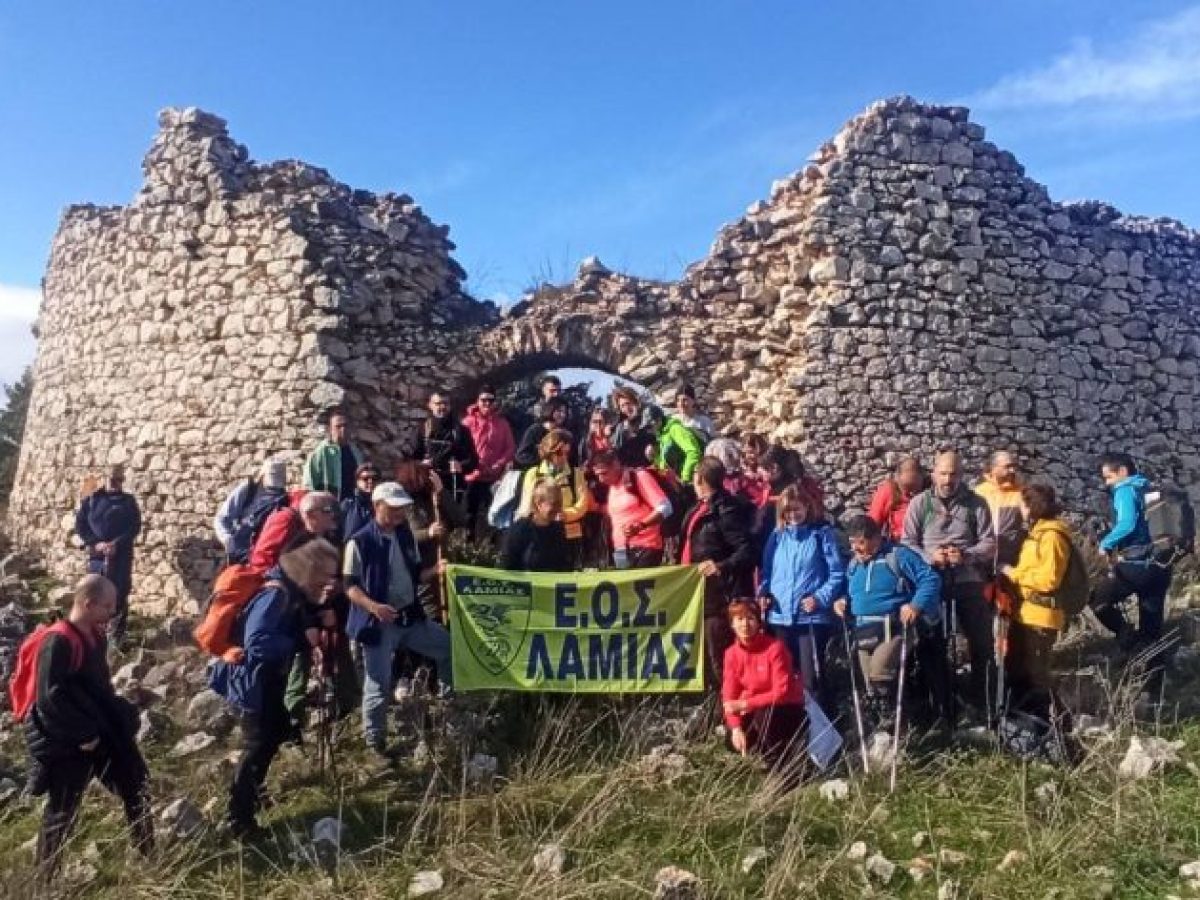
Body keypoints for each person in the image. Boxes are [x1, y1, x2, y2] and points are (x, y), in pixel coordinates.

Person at [25, 575, 153, 880]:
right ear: (88, 603)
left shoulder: (97, 636)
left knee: (137, 786)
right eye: (107, 605)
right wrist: (84, 736)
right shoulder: (58, 641)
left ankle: (148, 860)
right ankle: (45, 880)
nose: (112, 611)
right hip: (70, 741)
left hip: (102, 730)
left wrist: (119, 718)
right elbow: (50, 698)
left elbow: (99, 688)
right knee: (62, 811)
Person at [210, 539, 339, 838]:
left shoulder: (287, 590)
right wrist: (297, 643)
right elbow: (258, 642)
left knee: (276, 730)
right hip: (253, 681)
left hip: (264, 678)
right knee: (257, 743)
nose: (328, 583)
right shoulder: (276, 595)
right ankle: (239, 820)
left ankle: (252, 794)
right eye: (325, 575)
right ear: (309, 569)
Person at [344, 482, 453, 758]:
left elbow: (415, 574)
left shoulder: (404, 535)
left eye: (402, 510)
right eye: (393, 509)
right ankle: (375, 741)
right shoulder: (359, 541)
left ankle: (448, 705)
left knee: (448, 648)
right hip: (377, 624)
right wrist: (373, 607)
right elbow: (348, 586)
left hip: (409, 616)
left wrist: (434, 571)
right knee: (378, 682)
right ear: (377, 506)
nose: (398, 515)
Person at [901, 450, 997, 721]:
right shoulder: (920, 503)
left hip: (968, 581)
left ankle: (983, 704)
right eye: (943, 473)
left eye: (953, 473)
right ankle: (939, 707)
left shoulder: (977, 504)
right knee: (932, 645)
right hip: (930, 583)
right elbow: (907, 542)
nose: (948, 479)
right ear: (933, 474)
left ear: (961, 474)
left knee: (982, 643)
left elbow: (989, 542)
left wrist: (967, 555)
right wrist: (929, 557)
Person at [834, 516, 941, 731]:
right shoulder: (854, 564)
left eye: (861, 542)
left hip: (893, 628)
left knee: (880, 674)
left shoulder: (898, 556)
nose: (856, 548)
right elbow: (850, 590)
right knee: (871, 687)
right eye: (852, 542)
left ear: (876, 539)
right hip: (863, 630)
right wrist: (842, 601)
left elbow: (930, 579)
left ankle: (895, 728)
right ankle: (884, 733)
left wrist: (916, 605)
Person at [758, 485, 847, 708]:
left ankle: (822, 733)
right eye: (788, 511)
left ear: (807, 507)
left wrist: (819, 598)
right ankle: (790, 730)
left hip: (810, 617)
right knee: (783, 675)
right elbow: (767, 572)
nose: (793, 515)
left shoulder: (821, 535)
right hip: (780, 617)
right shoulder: (777, 537)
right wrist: (764, 593)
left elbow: (836, 573)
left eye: (797, 509)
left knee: (811, 679)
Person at [1088, 452, 1175, 673]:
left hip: (1136, 566)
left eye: (1108, 477)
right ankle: (1155, 679)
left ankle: (1127, 638)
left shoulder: (1125, 489)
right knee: (1152, 624)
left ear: (1123, 472)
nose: (1107, 483)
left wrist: (1106, 543)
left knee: (1098, 600)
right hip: (1161, 564)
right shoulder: (1148, 489)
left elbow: (1126, 524)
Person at [998, 484, 1073, 718]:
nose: (1019, 508)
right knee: (1019, 667)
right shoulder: (1038, 533)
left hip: (1041, 616)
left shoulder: (1051, 537)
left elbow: (1049, 580)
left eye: (1023, 503)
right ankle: (1026, 719)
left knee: (1037, 674)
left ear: (1032, 506)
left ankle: (1054, 722)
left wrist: (1014, 574)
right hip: (1026, 613)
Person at [681, 458, 756, 687]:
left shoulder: (726, 510)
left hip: (719, 596)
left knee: (720, 657)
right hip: (699, 593)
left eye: (695, 476)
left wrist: (720, 566)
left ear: (701, 479)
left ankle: (732, 714)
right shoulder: (700, 507)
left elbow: (747, 550)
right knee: (706, 657)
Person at [721, 600, 806, 769]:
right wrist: (736, 728)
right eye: (739, 619)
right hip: (754, 708)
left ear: (759, 622)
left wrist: (746, 703)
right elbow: (729, 698)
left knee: (763, 716)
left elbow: (782, 692)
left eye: (750, 618)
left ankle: (783, 767)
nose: (745, 624)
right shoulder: (731, 654)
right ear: (732, 624)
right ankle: (760, 759)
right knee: (731, 738)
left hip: (786, 708)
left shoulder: (775, 648)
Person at [74, 465, 142, 646]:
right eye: (111, 479)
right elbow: (81, 526)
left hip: (120, 556)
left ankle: (116, 637)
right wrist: (96, 543)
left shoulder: (128, 502)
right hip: (97, 556)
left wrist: (116, 544)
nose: (114, 483)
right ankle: (92, 633)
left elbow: (134, 527)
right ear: (105, 479)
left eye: (118, 480)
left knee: (119, 593)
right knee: (94, 592)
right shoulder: (91, 500)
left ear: (122, 482)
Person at [396, 459, 464, 620]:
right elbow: (401, 538)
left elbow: (460, 519)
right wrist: (428, 533)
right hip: (421, 572)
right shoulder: (404, 506)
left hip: (442, 567)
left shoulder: (434, 500)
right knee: (429, 615)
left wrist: (442, 493)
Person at [516, 428, 590, 566]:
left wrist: (565, 514)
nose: (564, 457)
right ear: (549, 452)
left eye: (567, 453)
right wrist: (545, 516)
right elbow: (526, 505)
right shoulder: (534, 473)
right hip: (540, 532)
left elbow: (582, 504)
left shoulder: (575, 474)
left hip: (568, 532)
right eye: (560, 453)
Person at [590, 449, 673, 569]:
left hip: (645, 549)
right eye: (597, 475)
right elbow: (622, 512)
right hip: (622, 552)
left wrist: (640, 525)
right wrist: (595, 507)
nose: (601, 479)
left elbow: (666, 507)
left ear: (616, 464)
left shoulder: (638, 477)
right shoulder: (613, 486)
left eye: (604, 473)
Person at [462, 385, 517, 537]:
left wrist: (497, 465)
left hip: (493, 478)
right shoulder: (467, 422)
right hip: (471, 477)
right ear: (477, 401)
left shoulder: (502, 423)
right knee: (468, 514)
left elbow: (510, 448)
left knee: (492, 513)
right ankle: (466, 545)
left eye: (490, 400)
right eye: (483, 400)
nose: (487, 403)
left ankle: (490, 548)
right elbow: (462, 447)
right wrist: (474, 464)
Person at [250, 491, 341, 574]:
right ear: (310, 515)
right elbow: (262, 560)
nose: (333, 519)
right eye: (328, 511)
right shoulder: (285, 521)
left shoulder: (305, 526)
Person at [414, 392, 478, 504]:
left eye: (445, 403)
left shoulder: (462, 431)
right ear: (430, 405)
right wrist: (421, 464)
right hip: (428, 487)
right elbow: (413, 459)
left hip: (453, 488)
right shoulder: (422, 430)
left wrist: (461, 466)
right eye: (438, 403)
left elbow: (474, 460)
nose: (442, 407)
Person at [214, 458, 288, 553]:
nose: (273, 489)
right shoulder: (248, 491)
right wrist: (228, 540)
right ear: (262, 475)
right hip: (242, 550)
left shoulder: (282, 498)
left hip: (267, 553)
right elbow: (222, 518)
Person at [501, 481, 574, 571]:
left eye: (559, 504)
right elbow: (508, 563)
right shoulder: (519, 529)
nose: (557, 509)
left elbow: (564, 562)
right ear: (538, 503)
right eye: (553, 504)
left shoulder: (558, 528)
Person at [974, 450, 1026, 567]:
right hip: (981, 564)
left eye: (1014, 466)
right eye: (1007, 467)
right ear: (993, 468)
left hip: (1010, 565)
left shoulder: (1021, 493)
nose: (1012, 471)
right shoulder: (978, 493)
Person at [303, 408, 366, 501]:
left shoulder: (355, 452)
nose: (343, 429)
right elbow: (309, 484)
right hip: (329, 507)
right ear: (330, 430)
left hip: (352, 505)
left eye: (345, 425)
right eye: (338, 426)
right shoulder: (321, 452)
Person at [866, 457, 925, 541]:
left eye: (914, 487)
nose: (911, 493)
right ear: (897, 478)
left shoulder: (927, 496)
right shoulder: (888, 491)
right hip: (899, 545)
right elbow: (872, 524)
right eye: (907, 488)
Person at [649, 405, 705, 484]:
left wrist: (685, 477)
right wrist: (654, 458)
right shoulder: (662, 435)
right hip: (679, 480)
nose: (649, 430)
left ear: (658, 419)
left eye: (650, 426)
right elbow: (665, 463)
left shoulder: (675, 429)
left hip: (693, 479)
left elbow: (693, 452)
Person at [515, 396, 572, 470]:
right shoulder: (535, 430)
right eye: (559, 411)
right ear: (551, 409)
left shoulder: (564, 434)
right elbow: (521, 456)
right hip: (535, 475)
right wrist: (544, 458)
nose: (563, 415)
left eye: (564, 412)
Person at [611, 386, 655, 468]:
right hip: (632, 472)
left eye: (628, 403)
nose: (626, 408)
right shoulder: (620, 428)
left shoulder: (648, 419)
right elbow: (617, 452)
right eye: (622, 406)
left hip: (653, 467)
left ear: (636, 402)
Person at [340, 462, 380, 545]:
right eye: (365, 478)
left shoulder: (385, 506)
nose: (370, 481)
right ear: (357, 482)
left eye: (375, 478)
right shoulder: (348, 505)